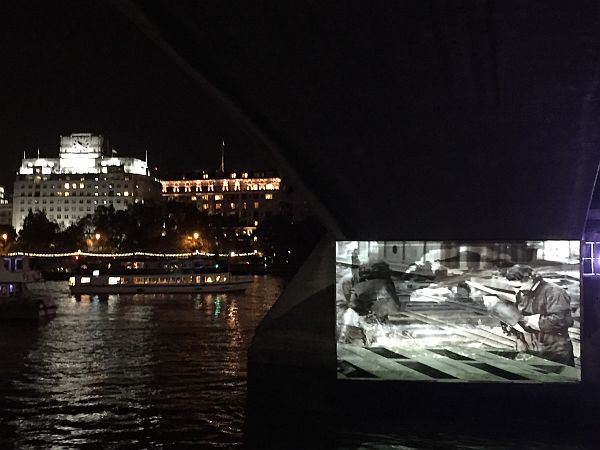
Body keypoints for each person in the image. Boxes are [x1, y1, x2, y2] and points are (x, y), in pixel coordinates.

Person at [505, 264, 575, 366]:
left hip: (554, 349)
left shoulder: (555, 292)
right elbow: (520, 314)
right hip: (531, 346)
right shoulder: (522, 292)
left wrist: (529, 321)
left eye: (518, 287)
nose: (517, 291)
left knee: (558, 377)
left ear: (530, 279)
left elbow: (561, 320)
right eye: (513, 287)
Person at [337, 258, 405, 345]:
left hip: (369, 313)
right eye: (373, 287)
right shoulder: (348, 282)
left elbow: (395, 305)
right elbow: (339, 311)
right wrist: (356, 318)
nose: (377, 289)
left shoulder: (386, 281)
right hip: (351, 317)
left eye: (379, 286)